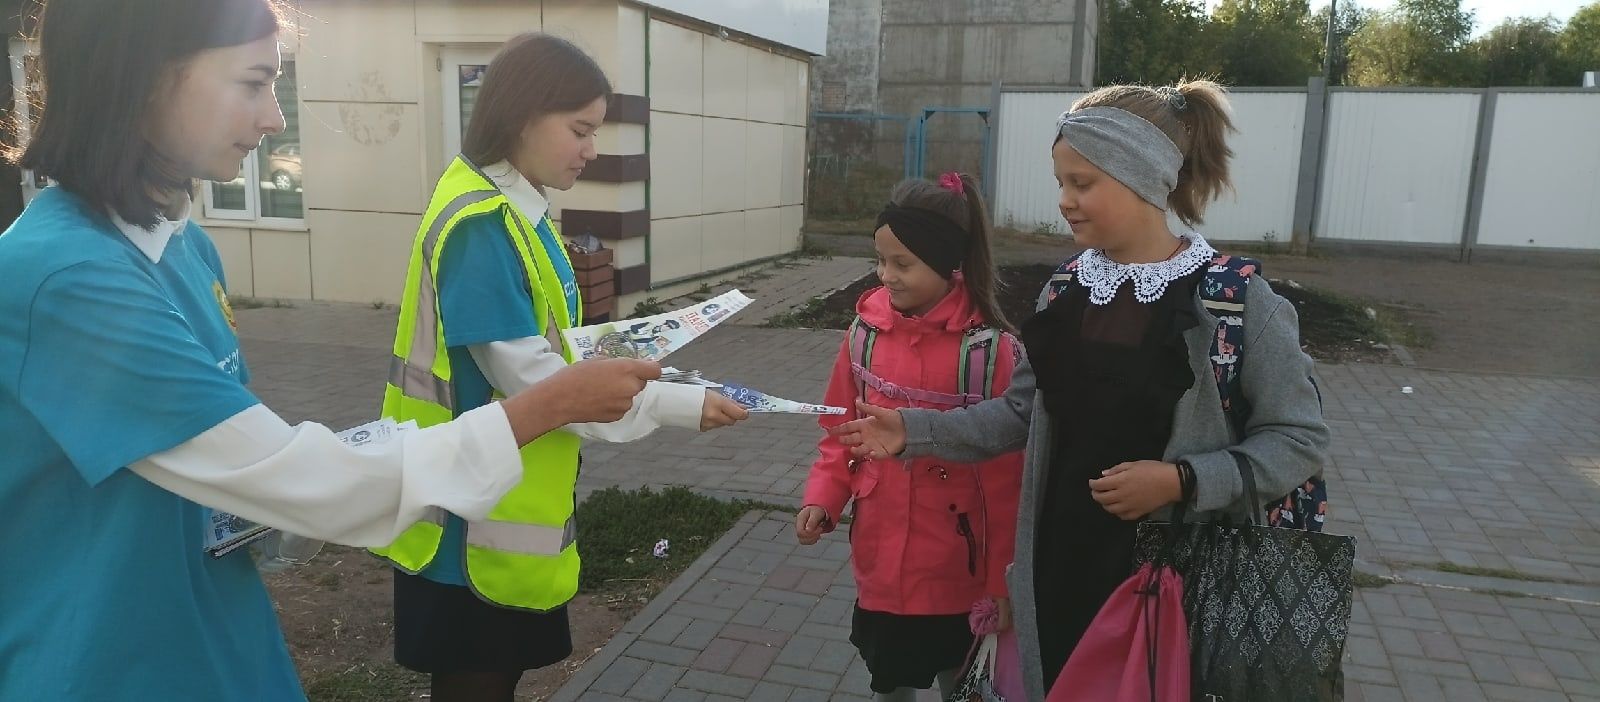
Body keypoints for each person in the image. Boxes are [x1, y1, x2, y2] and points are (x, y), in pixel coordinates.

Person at [0, 1, 657, 699]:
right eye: (253, 83)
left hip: (215, 631)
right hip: (108, 662)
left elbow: (232, 472)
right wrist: (545, 407)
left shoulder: (183, 245)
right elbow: (290, 476)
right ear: (143, 77)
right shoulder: (69, 280)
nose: (274, 119)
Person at [830, 81, 1331, 701]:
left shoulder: (1236, 303)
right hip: (1059, 565)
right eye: (1060, 181)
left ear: (1145, 178)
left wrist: (1183, 481)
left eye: (1082, 183)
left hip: (1171, 580)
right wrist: (914, 431)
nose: (1064, 201)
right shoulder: (1066, 291)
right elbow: (1019, 414)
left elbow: (1298, 439)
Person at [373, 33, 750, 702]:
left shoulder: (522, 213)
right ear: (523, 115)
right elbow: (542, 383)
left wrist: (647, 368)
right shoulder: (481, 226)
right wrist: (678, 403)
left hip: (495, 506)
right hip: (468, 528)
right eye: (579, 129)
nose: (591, 150)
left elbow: (560, 351)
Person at [795, 173, 1024, 702]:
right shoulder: (863, 335)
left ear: (949, 263)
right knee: (889, 684)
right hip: (879, 564)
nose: (885, 276)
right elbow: (838, 431)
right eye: (880, 260)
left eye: (903, 263)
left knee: (961, 687)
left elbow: (1007, 477)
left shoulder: (989, 354)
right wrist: (823, 498)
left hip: (958, 575)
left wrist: (999, 581)